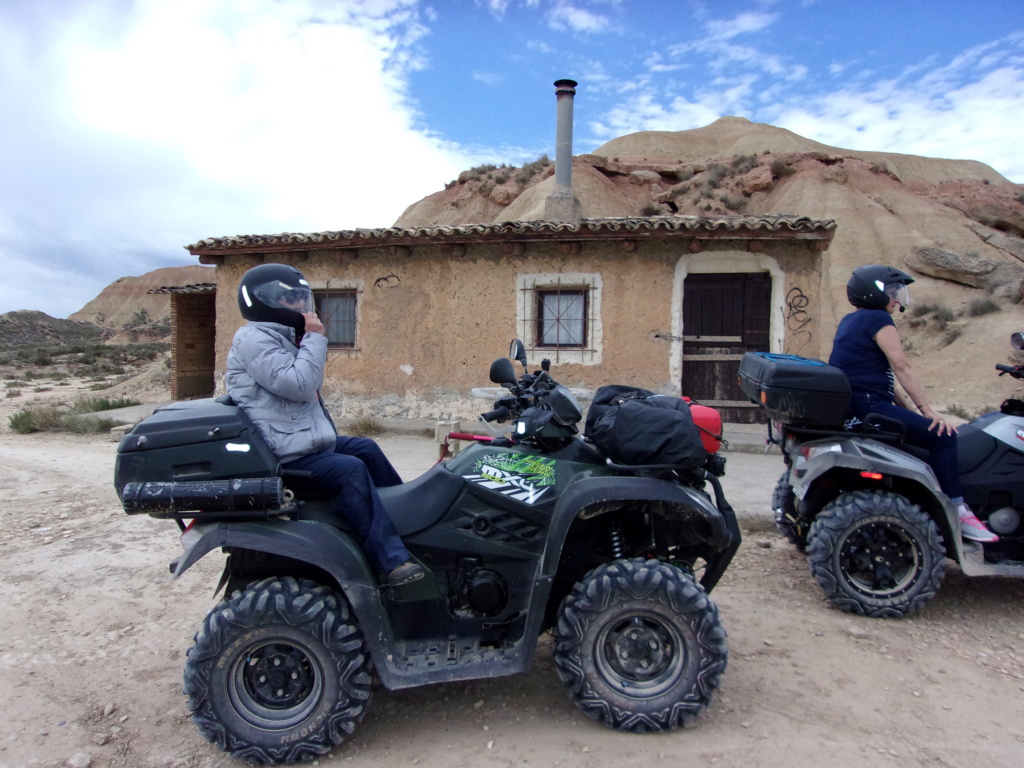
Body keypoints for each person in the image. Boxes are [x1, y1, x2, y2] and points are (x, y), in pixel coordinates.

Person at [225, 263, 426, 585]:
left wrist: (307, 340)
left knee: (365, 448)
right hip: (282, 454)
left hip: (298, 440)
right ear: (262, 302)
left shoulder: (281, 337)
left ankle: (410, 525)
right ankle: (390, 562)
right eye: (289, 300)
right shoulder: (254, 340)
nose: (300, 307)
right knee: (348, 470)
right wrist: (315, 339)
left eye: (300, 299)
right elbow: (300, 384)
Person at [828, 265, 998, 543]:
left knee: (922, 435)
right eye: (892, 291)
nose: (896, 298)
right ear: (874, 291)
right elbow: (902, 367)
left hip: (859, 406)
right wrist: (929, 412)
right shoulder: (877, 319)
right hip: (870, 407)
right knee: (943, 437)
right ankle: (959, 511)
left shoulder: (851, 320)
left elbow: (878, 379)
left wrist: (908, 411)